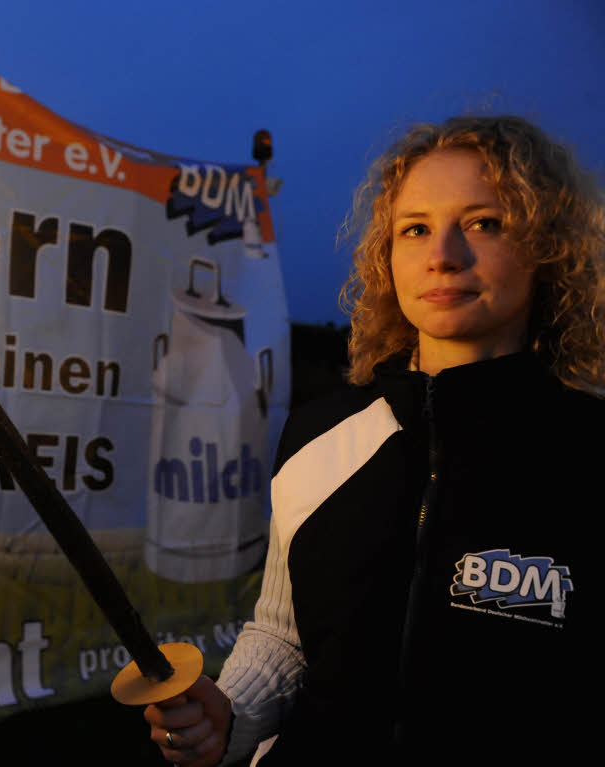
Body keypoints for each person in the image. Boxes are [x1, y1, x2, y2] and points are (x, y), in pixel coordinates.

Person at [144, 114, 605, 764]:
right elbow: (283, 634)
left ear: (548, 244)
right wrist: (234, 713)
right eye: (415, 228)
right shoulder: (318, 435)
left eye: (484, 222)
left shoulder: (588, 451)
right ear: (387, 257)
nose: (443, 254)